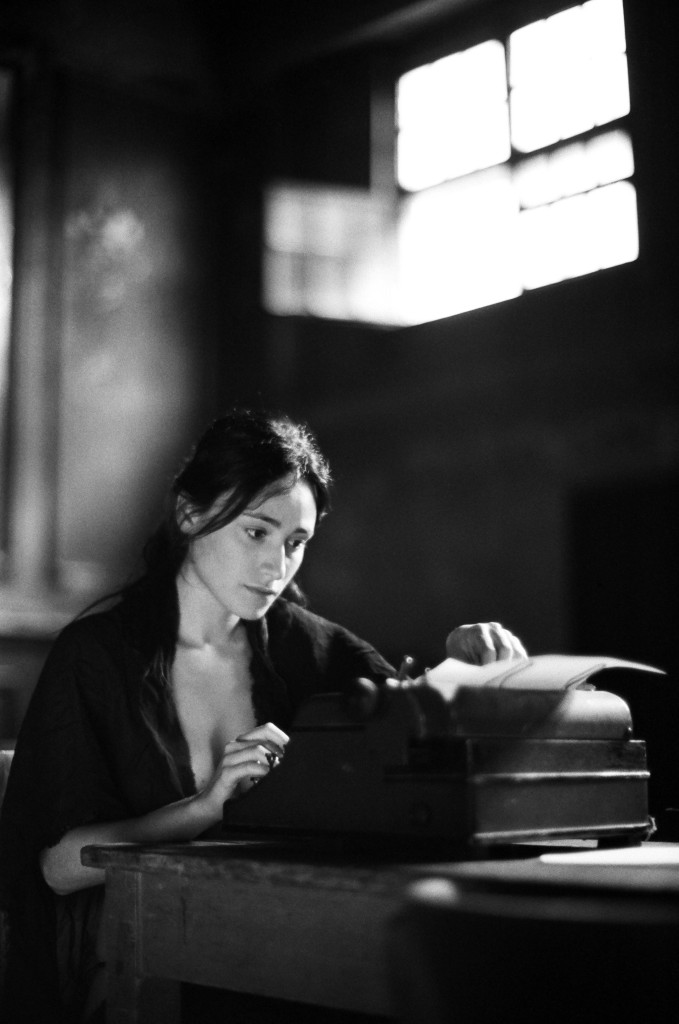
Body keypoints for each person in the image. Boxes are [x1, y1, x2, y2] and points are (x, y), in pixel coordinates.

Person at [0, 408, 527, 1023]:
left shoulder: (315, 651)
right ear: (189, 514)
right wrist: (202, 809)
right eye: (257, 533)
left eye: (295, 544)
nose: (277, 567)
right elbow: (57, 869)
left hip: (281, 946)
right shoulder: (95, 657)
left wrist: (460, 667)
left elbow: (405, 731)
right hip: (136, 963)